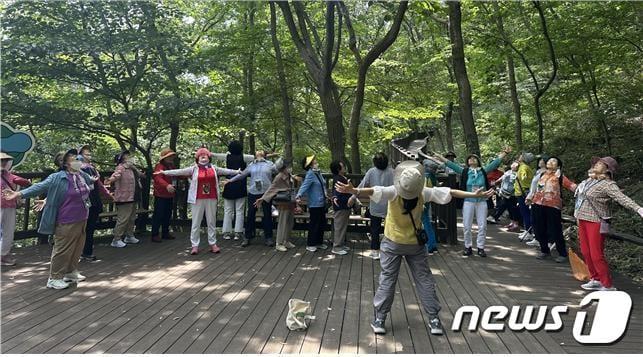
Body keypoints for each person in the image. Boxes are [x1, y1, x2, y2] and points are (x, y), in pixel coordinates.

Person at [335, 160, 493, 336]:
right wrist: (473, 195)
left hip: (392, 242)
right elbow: (451, 192)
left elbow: (372, 191)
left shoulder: (393, 192)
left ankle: (380, 319)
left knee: (388, 279)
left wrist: (354, 190)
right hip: (415, 245)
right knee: (424, 279)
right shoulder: (423, 192)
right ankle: (434, 320)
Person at [3, 149, 93, 289]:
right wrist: (19, 194)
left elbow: (87, 189)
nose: (78, 161)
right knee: (63, 248)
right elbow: (40, 186)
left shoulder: (82, 175)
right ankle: (54, 277)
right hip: (65, 218)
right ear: (65, 163)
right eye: (74, 159)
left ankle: (70, 272)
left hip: (82, 216)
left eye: (77, 158)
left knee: (77, 247)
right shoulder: (57, 177)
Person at [574, 157, 643, 291]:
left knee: (596, 254)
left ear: (608, 170)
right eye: (597, 162)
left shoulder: (608, 184)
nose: (596, 164)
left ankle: (607, 284)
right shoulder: (589, 181)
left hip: (596, 221)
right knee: (585, 252)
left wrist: (638, 209)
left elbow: (621, 198)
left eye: (601, 164)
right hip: (582, 218)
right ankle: (595, 278)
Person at [157, 147, 240, 255]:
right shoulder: (193, 169)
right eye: (201, 156)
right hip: (197, 199)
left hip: (211, 198)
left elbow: (226, 170)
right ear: (197, 158)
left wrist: (237, 171)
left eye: (205, 156)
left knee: (211, 222)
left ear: (209, 158)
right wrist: (165, 172)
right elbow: (179, 171)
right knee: (196, 222)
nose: (203, 158)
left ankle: (213, 244)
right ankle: (194, 245)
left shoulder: (214, 168)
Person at [431, 147, 511, 257]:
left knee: (482, 225)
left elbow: (495, 162)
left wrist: (505, 153)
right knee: (467, 225)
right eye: (470, 158)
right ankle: (468, 246)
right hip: (468, 200)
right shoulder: (465, 171)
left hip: (481, 201)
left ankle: (480, 248)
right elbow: (451, 165)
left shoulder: (483, 170)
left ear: (478, 161)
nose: (472, 159)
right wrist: (440, 157)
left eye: (474, 158)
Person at [224, 150, 277, 247]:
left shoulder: (270, 164)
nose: (259, 152)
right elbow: (241, 175)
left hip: (266, 193)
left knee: (267, 215)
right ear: (255, 155)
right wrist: (230, 181)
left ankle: (268, 238)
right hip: (253, 192)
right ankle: (247, 237)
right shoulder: (251, 165)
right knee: (251, 215)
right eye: (257, 151)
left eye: (261, 151)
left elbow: (279, 169)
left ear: (265, 155)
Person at [530, 157, 577, 262]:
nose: (550, 162)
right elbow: (536, 188)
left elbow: (572, 187)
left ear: (558, 166)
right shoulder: (542, 175)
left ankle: (562, 253)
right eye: (549, 160)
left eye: (554, 161)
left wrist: (584, 189)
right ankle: (544, 251)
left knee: (555, 230)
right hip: (538, 204)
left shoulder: (560, 177)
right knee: (539, 228)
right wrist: (530, 198)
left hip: (553, 206)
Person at [350, 152, 394, 260]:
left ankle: (375, 251)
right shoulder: (393, 172)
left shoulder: (371, 171)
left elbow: (361, 186)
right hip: (390, 205)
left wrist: (353, 197)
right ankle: (390, 250)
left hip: (376, 205)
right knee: (391, 228)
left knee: (374, 229)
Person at [255, 158, 301, 252]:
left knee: (290, 223)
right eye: (287, 166)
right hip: (283, 203)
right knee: (282, 223)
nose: (289, 168)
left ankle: (286, 241)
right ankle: (279, 243)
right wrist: (263, 198)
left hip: (290, 202)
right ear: (283, 168)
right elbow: (272, 188)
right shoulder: (279, 177)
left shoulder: (289, 175)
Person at [78, 145, 112, 260]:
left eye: (89, 154)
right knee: (87, 228)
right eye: (86, 154)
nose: (89, 156)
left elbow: (99, 185)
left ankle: (84, 252)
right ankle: (85, 252)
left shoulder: (91, 168)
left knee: (86, 228)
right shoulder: (83, 168)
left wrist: (107, 194)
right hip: (87, 201)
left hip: (90, 201)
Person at [105, 150, 145, 248]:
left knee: (131, 218)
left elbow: (141, 175)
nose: (130, 158)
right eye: (128, 156)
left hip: (133, 196)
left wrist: (142, 174)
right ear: (123, 159)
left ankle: (129, 236)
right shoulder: (121, 168)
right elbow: (116, 175)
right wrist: (110, 180)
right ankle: (116, 239)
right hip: (124, 198)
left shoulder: (132, 168)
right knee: (123, 219)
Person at [1, 152, 31, 266]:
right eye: (1, 161)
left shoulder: (9, 175)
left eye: (5, 161)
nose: (3, 163)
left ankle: (3, 255)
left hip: (9, 205)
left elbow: (26, 182)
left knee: (8, 232)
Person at [296, 155, 330, 252]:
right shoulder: (310, 174)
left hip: (321, 202)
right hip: (314, 203)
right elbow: (305, 186)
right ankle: (311, 244)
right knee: (314, 224)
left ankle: (319, 242)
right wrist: (299, 195)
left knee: (321, 223)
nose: (316, 162)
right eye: (314, 161)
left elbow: (323, 185)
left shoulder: (318, 172)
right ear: (310, 165)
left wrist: (326, 194)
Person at [221, 141, 247, 241]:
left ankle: (226, 232)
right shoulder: (243, 157)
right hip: (240, 185)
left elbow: (215, 155)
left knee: (228, 210)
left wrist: (204, 152)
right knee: (239, 210)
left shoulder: (227, 156)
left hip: (229, 184)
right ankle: (238, 232)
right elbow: (256, 157)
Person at [151, 148, 178, 243]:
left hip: (170, 194)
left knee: (167, 214)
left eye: (172, 156)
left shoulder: (171, 166)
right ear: (164, 158)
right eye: (169, 156)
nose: (171, 158)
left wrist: (189, 174)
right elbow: (158, 178)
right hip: (160, 195)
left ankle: (165, 232)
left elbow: (177, 174)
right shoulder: (160, 166)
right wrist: (167, 185)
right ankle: (155, 234)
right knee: (158, 215)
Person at [524, 155, 549, 245]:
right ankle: (537, 237)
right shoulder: (538, 171)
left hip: (540, 199)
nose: (540, 161)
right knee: (534, 219)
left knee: (539, 220)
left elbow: (541, 187)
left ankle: (540, 239)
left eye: (542, 160)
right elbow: (533, 186)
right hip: (533, 197)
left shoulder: (546, 173)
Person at [330, 160, 353, 256]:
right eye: (342, 166)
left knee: (342, 226)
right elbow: (337, 193)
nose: (344, 167)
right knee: (339, 226)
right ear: (338, 169)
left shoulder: (342, 178)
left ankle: (341, 244)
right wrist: (335, 198)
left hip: (345, 205)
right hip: (341, 206)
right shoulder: (338, 179)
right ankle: (336, 247)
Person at [489, 162, 521, 229]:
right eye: (513, 164)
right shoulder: (508, 172)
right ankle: (512, 222)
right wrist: (495, 183)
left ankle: (515, 223)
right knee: (508, 208)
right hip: (504, 192)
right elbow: (501, 178)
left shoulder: (517, 174)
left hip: (512, 194)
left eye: (515, 165)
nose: (513, 165)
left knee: (512, 208)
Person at [422, 158, 440, 254]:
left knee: (425, 223)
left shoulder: (425, 176)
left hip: (422, 202)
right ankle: (433, 245)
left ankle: (429, 245)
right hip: (428, 200)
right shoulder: (433, 176)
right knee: (427, 222)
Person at [515, 152, 535, 234]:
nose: (519, 156)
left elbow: (523, 176)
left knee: (525, 213)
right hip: (524, 192)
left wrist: (523, 177)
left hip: (522, 193)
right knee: (526, 212)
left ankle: (529, 232)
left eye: (521, 156)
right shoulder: (525, 167)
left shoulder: (523, 167)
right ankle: (528, 230)